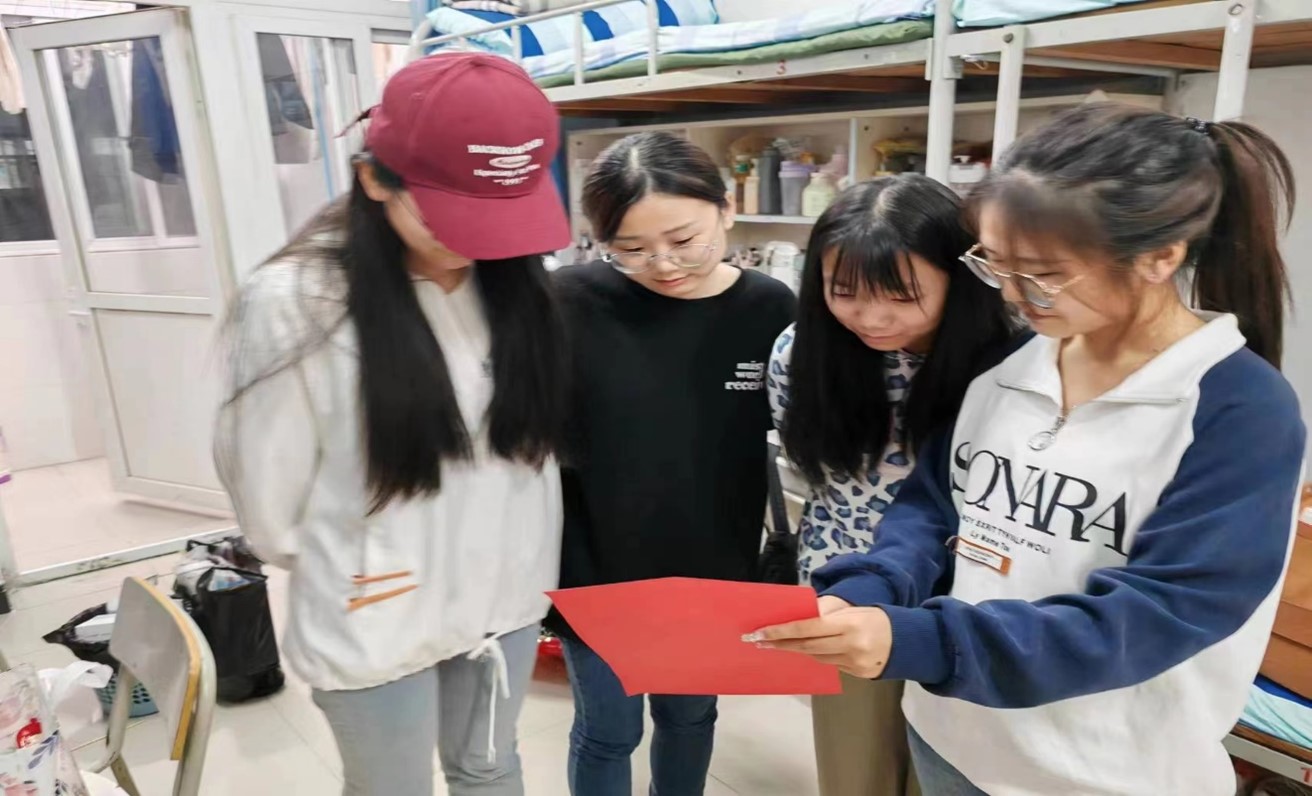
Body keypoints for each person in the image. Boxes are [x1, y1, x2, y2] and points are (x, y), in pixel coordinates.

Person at [751, 104, 1306, 795]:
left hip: (1099, 772)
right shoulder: (1013, 367)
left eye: (1042, 273)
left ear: (1160, 257)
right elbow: (932, 509)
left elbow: (1161, 612)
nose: (1013, 294)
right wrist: (872, 589)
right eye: (996, 265)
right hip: (952, 735)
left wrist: (925, 641)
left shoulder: (1237, 411)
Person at [214, 53, 571, 796]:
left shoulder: (517, 282)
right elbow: (269, 497)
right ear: (375, 179)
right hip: (376, 602)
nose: (480, 241)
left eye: (501, 215)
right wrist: (370, 555)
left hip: (504, 594)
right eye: (455, 214)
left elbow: (527, 454)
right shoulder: (297, 300)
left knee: (490, 768)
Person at [550, 131, 796, 796]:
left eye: (684, 239)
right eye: (630, 249)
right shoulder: (567, 301)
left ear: (726, 209)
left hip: (713, 564)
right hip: (597, 564)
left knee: (689, 718)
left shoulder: (770, 307)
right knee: (608, 731)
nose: (662, 264)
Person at [766, 175, 1016, 796]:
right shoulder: (801, 352)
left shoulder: (1011, 359)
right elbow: (816, 474)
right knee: (857, 769)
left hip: (971, 600)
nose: (871, 318)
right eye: (844, 292)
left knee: (953, 771)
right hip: (847, 590)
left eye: (901, 296)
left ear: (959, 277)